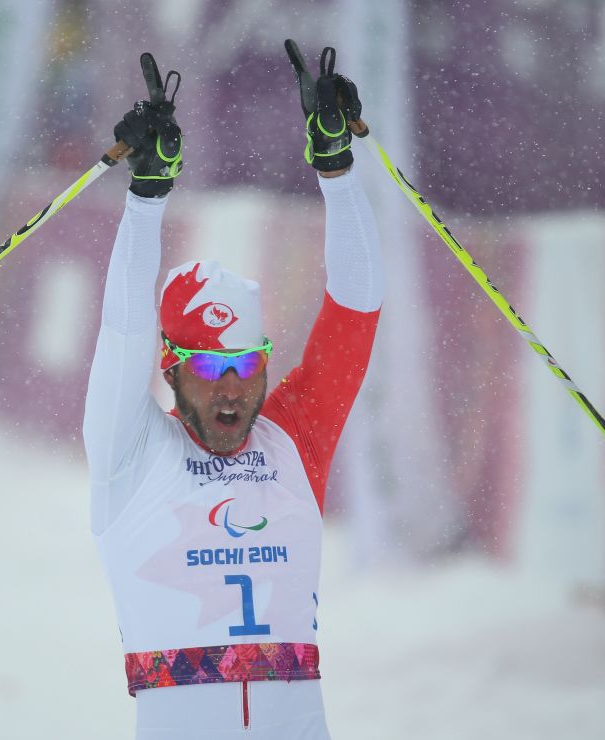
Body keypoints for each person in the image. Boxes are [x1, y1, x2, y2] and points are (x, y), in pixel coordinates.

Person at [83, 46, 383, 739]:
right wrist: (146, 199)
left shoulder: (293, 442)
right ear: (170, 367)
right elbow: (122, 332)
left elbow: (356, 309)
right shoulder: (130, 457)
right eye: (210, 367)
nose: (232, 389)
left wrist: (337, 171)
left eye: (247, 367)